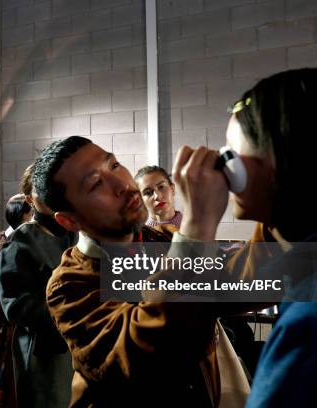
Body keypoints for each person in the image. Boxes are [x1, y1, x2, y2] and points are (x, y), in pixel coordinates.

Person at [172, 68, 317, 407]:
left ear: (281, 161)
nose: (221, 169)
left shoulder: (315, 324)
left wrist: (197, 221)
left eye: (230, 155)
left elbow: (173, 323)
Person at [34, 136, 253, 407]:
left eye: (114, 165)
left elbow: (250, 281)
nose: (123, 185)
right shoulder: (69, 285)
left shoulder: (164, 240)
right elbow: (146, 357)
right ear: (69, 220)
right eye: (95, 184)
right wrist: (196, 232)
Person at [0, 163, 76, 408]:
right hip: (48, 354)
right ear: (30, 199)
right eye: (44, 188)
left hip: (85, 349)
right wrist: (71, 310)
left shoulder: (77, 233)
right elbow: (17, 306)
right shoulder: (19, 243)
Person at [135, 165, 182, 237]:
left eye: (161, 187)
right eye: (148, 192)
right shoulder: (139, 237)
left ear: (172, 189)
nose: (157, 196)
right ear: (140, 200)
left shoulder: (195, 227)